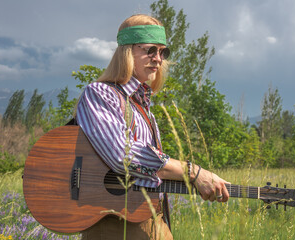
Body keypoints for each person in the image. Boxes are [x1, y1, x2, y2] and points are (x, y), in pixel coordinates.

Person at [76, 14, 230, 240]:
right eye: (150, 50)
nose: (158, 59)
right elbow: (123, 155)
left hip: (150, 220)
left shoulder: (143, 107)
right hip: (113, 225)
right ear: (127, 51)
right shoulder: (100, 93)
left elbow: (148, 172)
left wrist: (199, 181)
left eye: (163, 52)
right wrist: (192, 172)